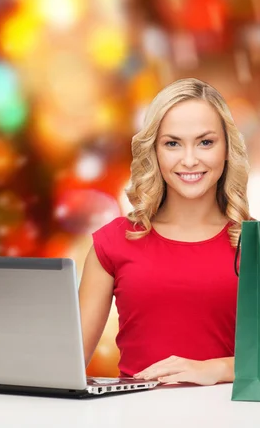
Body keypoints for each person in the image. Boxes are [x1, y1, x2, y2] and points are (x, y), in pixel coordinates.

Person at [79, 77, 250, 386]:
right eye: (172, 143)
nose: (189, 159)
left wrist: (219, 369)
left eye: (205, 142)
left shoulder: (259, 244)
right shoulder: (113, 243)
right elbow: (67, 363)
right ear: (154, 152)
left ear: (227, 148)